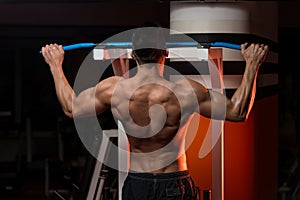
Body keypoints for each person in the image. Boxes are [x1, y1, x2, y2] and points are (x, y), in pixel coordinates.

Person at [41, 26, 269, 200]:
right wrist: (252, 64)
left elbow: (71, 107)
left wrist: (55, 65)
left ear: (132, 55)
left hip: (137, 183)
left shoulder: (115, 89)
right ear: (166, 52)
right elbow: (238, 112)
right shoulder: (185, 90)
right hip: (174, 181)